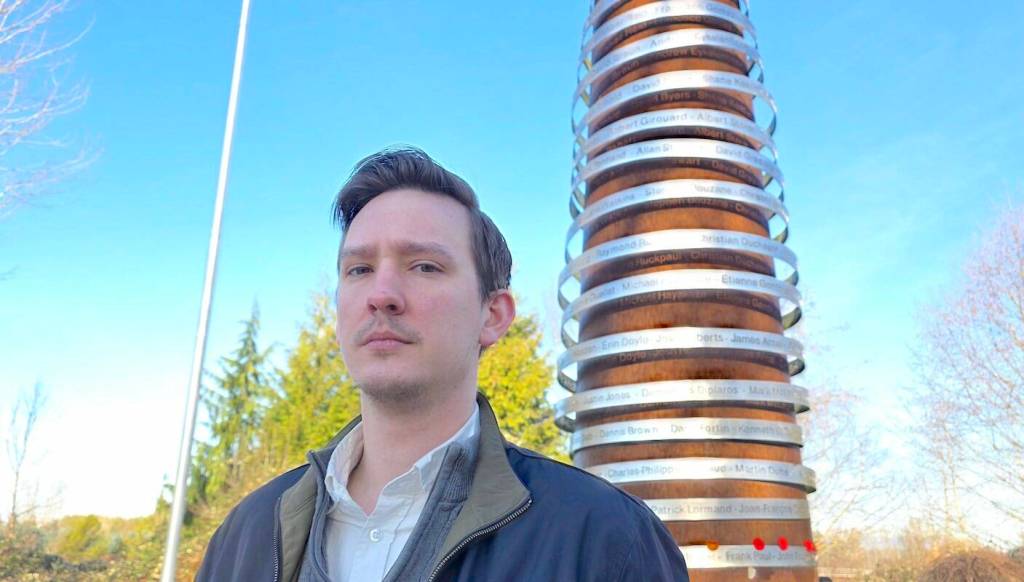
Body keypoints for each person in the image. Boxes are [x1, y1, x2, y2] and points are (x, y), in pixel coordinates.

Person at [197, 147, 689, 581]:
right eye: (359, 269)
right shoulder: (243, 538)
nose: (381, 295)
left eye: (425, 266)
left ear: (492, 316)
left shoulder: (607, 541)